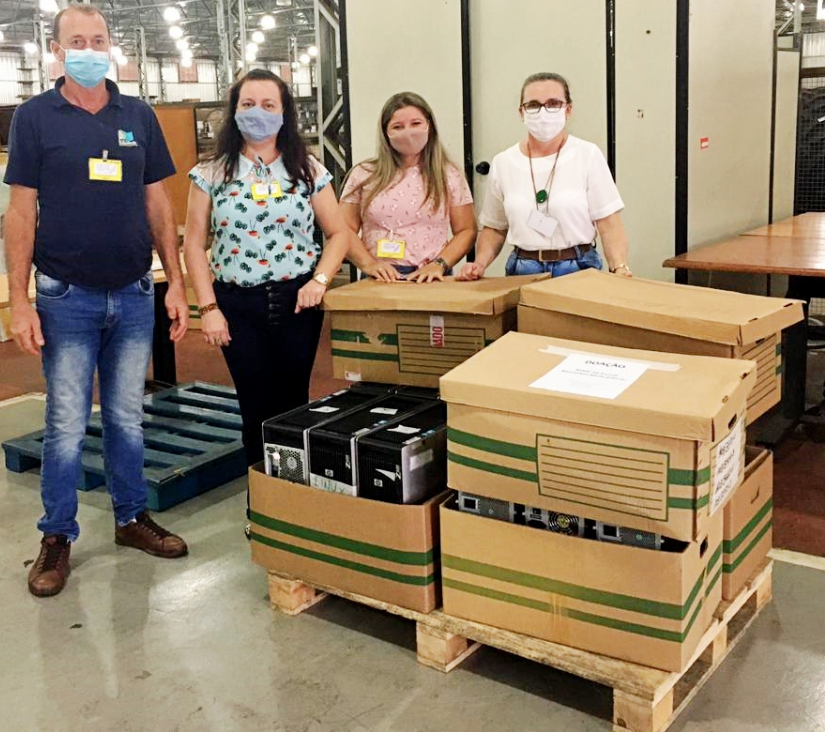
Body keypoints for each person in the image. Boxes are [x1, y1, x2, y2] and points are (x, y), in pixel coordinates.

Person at [5, 4, 190, 599]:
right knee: (65, 423)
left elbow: (158, 203)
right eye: (77, 41)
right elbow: (20, 213)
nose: (89, 50)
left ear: (112, 46)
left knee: (126, 417)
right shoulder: (35, 117)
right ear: (57, 51)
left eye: (99, 39)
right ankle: (57, 535)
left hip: (133, 292)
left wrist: (176, 281)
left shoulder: (138, 115)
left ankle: (131, 517)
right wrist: (18, 299)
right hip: (66, 296)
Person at [184, 69, 351, 467]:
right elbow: (193, 243)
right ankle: (261, 491)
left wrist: (320, 280)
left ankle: (291, 489)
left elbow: (338, 233)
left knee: (294, 403)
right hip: (237, 305)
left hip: (297, 303)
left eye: (268, 105)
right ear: (234, 110)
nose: (257, 112)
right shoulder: (211, 172)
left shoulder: (306, 168)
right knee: (255, 405)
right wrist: (208, 308)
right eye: (248, 104)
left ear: (284, 112)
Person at [458, 72, 631, 280]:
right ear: (521, 112)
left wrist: (619, 267)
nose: (543, 112)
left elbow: (608, 222)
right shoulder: (503, 162)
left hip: (578, 267)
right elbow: (495, 228)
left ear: (568, 109)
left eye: (553, 103)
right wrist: (479, 264)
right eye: (533, 105)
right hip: (523, 269)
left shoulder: (587, 155)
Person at [341, 92, 476, 282]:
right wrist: (368, 264)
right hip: (379, 277)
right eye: (398, 126)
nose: (408, 132)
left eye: (415, 123)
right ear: (385, 133)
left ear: (429, 126)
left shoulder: (449, 174)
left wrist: (439, 264)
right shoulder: (364, 174)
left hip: (429, 277)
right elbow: (342, 229)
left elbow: (466, 230)